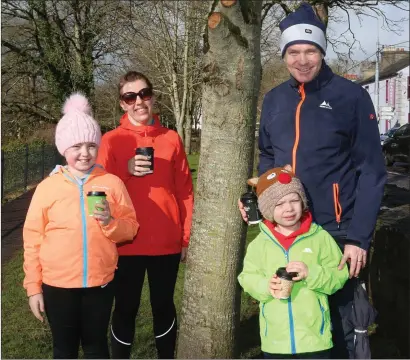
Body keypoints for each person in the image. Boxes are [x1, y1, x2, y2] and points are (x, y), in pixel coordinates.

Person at [239, 3, 386, 358]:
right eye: (294, 52)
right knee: (295, 317)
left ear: (321, 52)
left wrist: (358, 238)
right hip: (286, 229)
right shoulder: (274, 100)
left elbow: (372, 171)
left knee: (343, 328)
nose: (302, 60)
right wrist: (259, 199)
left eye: (310, 51)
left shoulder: (350, 96)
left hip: (336, 230)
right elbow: (268, 160)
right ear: (284, 55)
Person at [23, 93, 139, 359]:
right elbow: (32, 240)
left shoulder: (111, 183)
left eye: (90, 145)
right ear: (64, 149)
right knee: (64, 349)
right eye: (76, 146)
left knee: (96, 346)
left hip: (99, 284)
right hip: (57, 286)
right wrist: (33, 288)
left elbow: (131, 227)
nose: (84, 153)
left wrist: (110, 222)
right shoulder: (47, 188)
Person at [97, 71, 194, 359]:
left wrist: (186, 237)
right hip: (125, 242)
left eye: (144, 94)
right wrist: (124, 170)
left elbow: (186, 192)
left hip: (166, 240)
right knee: (125, 307)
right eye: (130, 96)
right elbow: (99, 190)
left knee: (163, 305)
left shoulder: (171, 139)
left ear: (152, 97)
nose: (139, 101)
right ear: (122, 104)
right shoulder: (111, 141)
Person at [238, 165, 348, 359]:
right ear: (267, 209)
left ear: (303, 202)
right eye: (279, 204)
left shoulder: (320, 238)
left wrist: (311, 273)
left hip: (315, 339)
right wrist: (266, 286)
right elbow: (247, 277)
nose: (288, 208)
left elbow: (339, 274)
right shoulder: (260, 244)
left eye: (294, 200)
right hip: (275, 342)